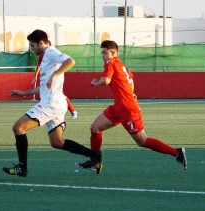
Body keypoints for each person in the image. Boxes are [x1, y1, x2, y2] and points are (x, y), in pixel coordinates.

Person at [76, 40, 187, 172]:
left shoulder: (110, 63)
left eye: (104, 52)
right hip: (118, 107)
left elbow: (106, 80)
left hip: (128, 110)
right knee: (95, 128)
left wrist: (96, 82)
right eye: (101, 53)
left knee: (142, 141)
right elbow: (131, 80)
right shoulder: (122, 65)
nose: (102, 55)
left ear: (113, 52)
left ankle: (177, 153)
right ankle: (96, 161)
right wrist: (131, 92)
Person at [3, 29, 102, 177]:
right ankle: (95, 157)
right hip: (56, 103)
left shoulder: (50, 52)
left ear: (41, 43)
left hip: (51, 104)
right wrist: (24, 93)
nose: (32, 49)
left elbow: (71, 61)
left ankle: (22, 167)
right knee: (57, 142)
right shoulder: (46, 57)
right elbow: (44, 85)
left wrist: (55, 75)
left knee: (18, 128)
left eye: (32, 45)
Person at [31, 42, 78, 119]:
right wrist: (35, 75)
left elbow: (69, 61)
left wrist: (54, 75)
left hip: (54, 79)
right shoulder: (42, 55)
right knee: (57, 95)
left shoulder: (52, 53)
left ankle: (72, 111)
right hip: (47, 80)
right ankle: (72, 111)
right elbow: (39, 65)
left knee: (59, 95)